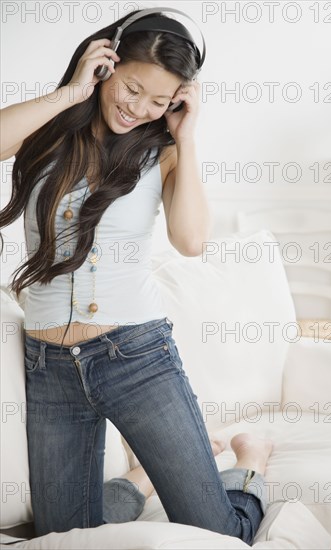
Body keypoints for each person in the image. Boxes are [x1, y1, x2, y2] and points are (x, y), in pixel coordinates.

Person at [0, 8, 273, 545]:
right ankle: (140, 479)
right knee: (65, 537)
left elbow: (191, 241)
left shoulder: (163, 150)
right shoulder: (46, 129)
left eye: (159, 102)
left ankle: (252, 462)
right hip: (50, 365)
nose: (139, 109)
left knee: (219, 532)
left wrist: (187, 137)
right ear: (106, 61)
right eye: (132, 89)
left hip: (137, 358)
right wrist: (73, 92)